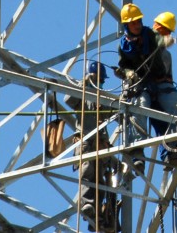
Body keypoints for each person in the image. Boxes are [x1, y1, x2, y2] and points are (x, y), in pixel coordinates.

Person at [66, 61, 118, 232]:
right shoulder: (81, 94)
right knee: (87, 173)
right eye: (99, 79)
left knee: (100, 181)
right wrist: (84, 83)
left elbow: (117, 111)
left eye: (102, 80)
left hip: (100, 146)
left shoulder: (102, 99)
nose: (101, 83)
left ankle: (97, 216)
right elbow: (68, 99)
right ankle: (88, 206)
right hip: (86, 142)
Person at [116, 3, 168, 161]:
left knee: (167, 111)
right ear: (126, 25)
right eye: (133, 23)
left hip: (155, 81)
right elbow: (122, 67)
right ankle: (137, 152)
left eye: (138, 21)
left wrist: (165, 41)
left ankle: (170, 151)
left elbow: (159, 39)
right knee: (141, 105)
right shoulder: (124, 46)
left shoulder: (149, 35)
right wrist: (127, 73)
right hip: (138, 85)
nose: (137, 25)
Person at [147, 11, 177, 160]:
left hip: (164, 90)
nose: (166, 33)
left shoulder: (167, 55)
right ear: (157, 25)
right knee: (162, 123)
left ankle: (174, 148)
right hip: (149, 90)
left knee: (173, 120)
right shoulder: (146, 41)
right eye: (165, 29)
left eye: (168, 31)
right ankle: (168, 151)